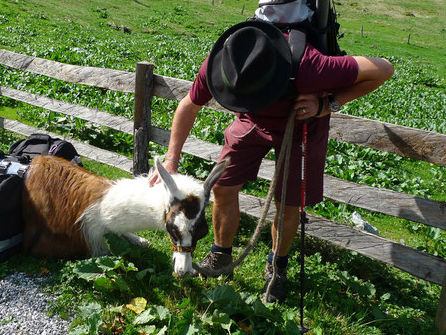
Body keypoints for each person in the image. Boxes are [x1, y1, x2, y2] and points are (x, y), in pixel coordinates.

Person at [148, 19, 394, 303]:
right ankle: (220, 254)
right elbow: (189, 105)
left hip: (302, 126)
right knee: (222, 187)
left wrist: (327, 105)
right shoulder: (222, 60)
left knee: (287, 202)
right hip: (253, 121)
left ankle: (277, 267)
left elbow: (384, 69)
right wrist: (171, 158)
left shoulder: (311, 66)